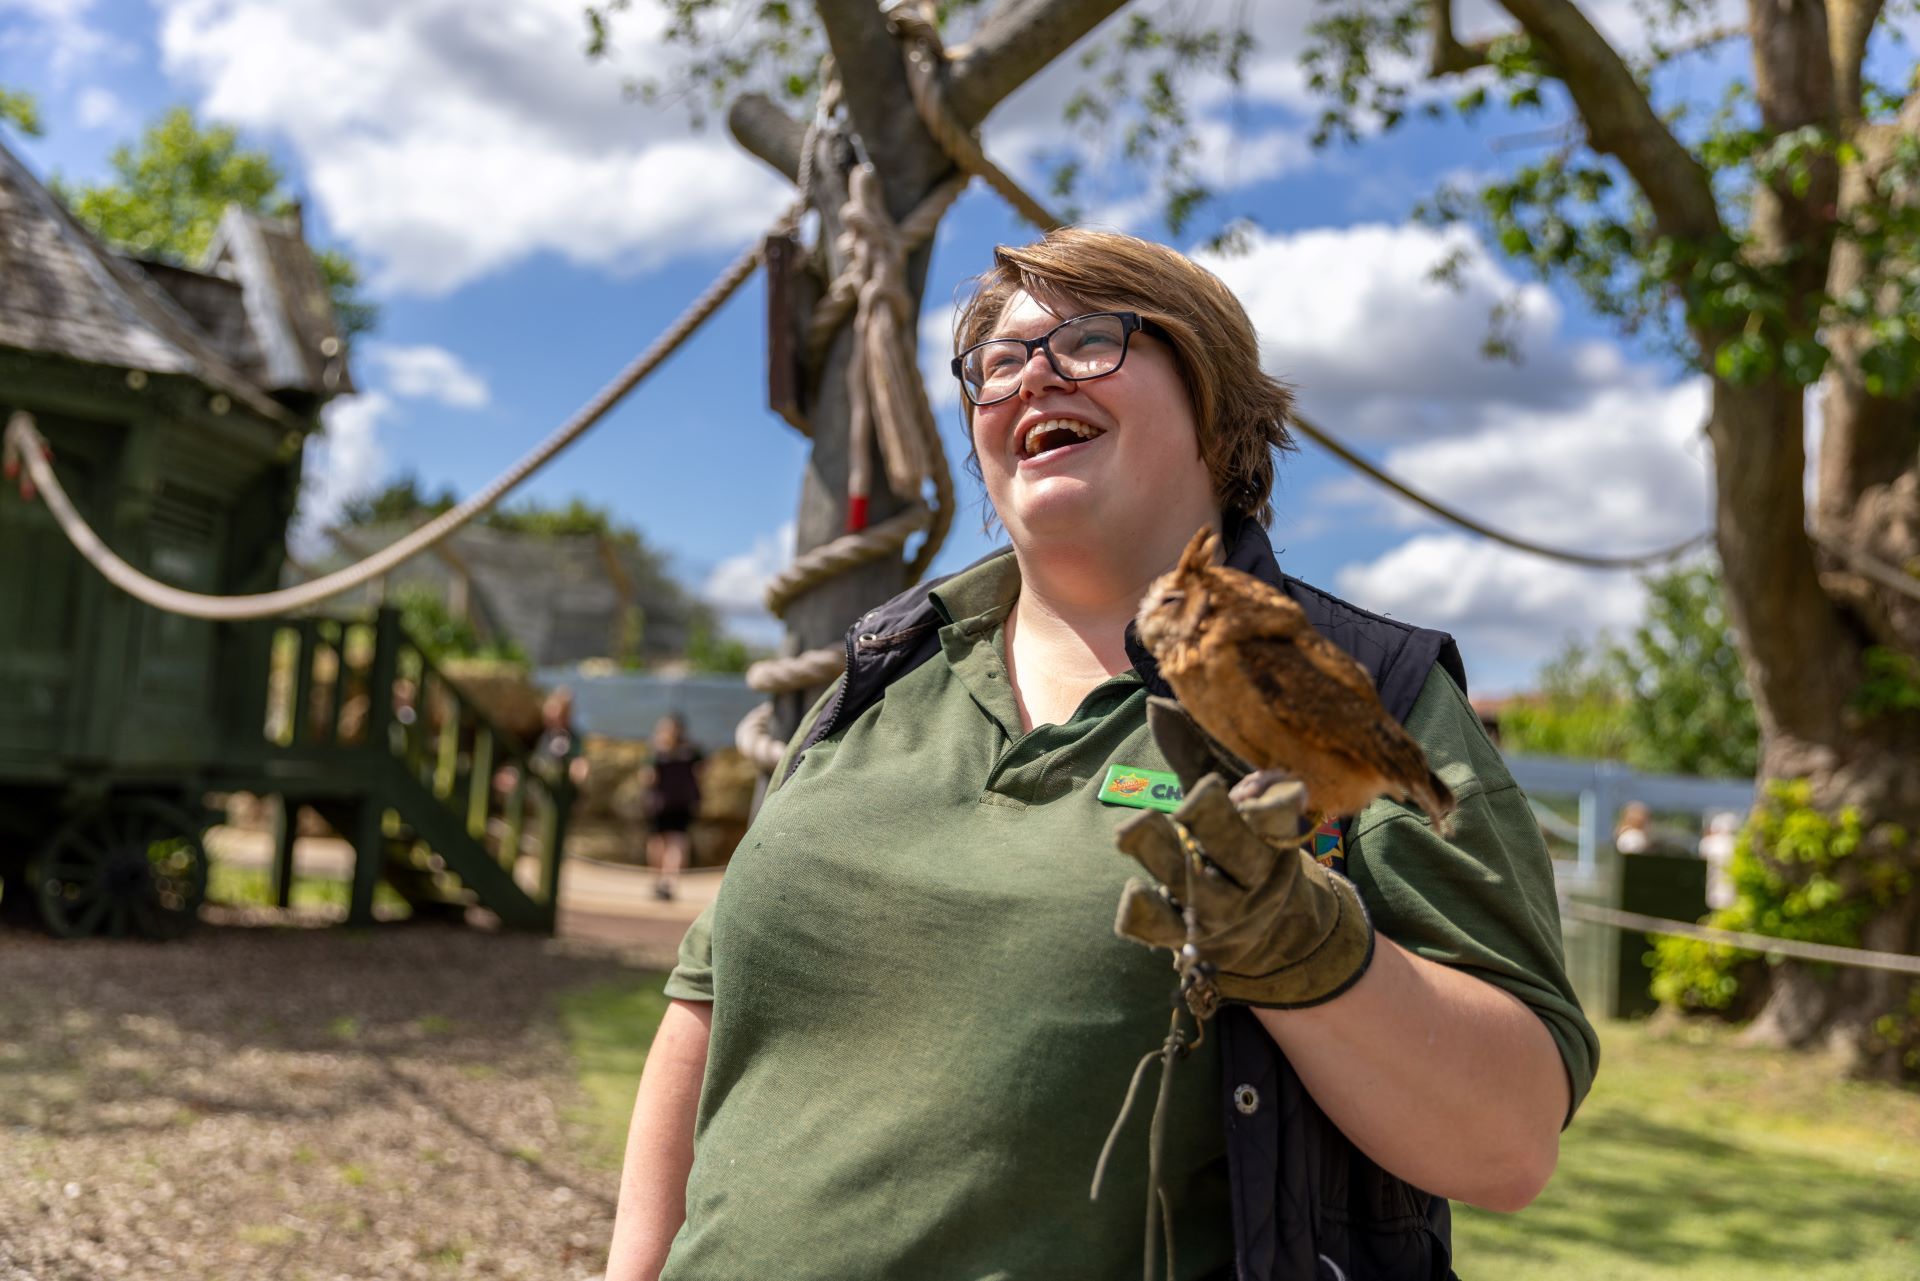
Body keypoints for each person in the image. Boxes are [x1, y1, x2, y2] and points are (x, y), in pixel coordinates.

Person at [605, 229, 1597, 1281]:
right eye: (998, 360)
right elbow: (703, 1016)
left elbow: (1511, 1141)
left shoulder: (1356, 679)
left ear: (1214, 400)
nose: (1032, 373)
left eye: (1087, 340)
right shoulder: (882, 676)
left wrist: (1311, 955)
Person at [643, 713, 703, 901]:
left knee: (659, 841)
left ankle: (658, 880)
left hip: (660, 803)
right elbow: (703, 771)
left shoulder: (657, 752)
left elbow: (647, 777)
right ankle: (670, 882)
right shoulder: (692, 751)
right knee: (677, 842)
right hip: (683, 803)